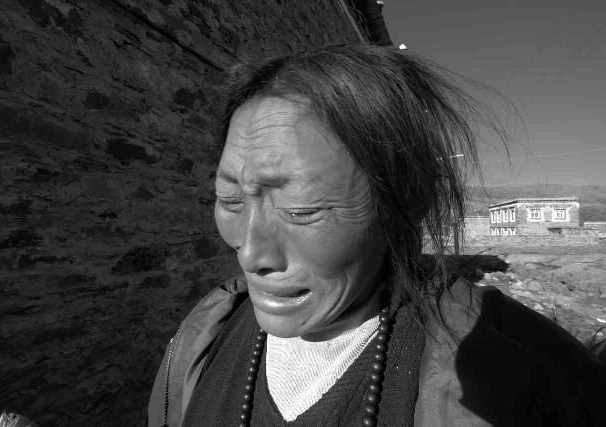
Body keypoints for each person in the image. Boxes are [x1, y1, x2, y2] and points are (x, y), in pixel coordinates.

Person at [147, 44, 606, 426]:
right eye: (229, 201)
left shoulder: (523, 379)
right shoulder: (203, 334)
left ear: (408, 201)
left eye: (302, 210)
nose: (250, 253)